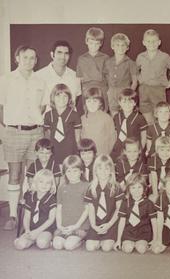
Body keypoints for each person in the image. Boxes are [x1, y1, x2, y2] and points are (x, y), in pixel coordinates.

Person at [0, 45, 47, 231]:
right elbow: (1, 108)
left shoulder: (40, 81)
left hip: (36, 132)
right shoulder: (6, 80)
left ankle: (31, 212)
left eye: (33, 58)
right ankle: (13, 215)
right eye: (25, 57)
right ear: (17, 58)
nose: (29, 61)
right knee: (14, 174)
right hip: (14, 132)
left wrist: (33, 122)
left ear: (36, 60)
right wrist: (10, 127)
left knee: (34, 174)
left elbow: (43, 107)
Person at [136, 29, 170, 124]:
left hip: (158, 90)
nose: (151, 43)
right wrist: (140, 79)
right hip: (144, 90)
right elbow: (135, 70)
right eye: (148, 41)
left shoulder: (164, 57)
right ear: (144, 43)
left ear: (159, 42)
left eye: (154, 41)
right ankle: (151, 135)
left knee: (160, 115)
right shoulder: (140, 56)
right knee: (146, 116)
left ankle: (161, 136)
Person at [14, 169, 57, 250]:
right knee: (20, 245)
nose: (44, 185)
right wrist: (27, 229)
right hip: (31, 228)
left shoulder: (52, 198)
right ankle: (31, 240)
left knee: (41, 244)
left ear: (51, 185)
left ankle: (45, 240)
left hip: (46, 229)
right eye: (41, 182)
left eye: (48, 183)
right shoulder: (30, 196)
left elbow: (51, 219)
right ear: (35, 182)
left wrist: (37, 231)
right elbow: (27, 216)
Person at [53, 155, 89, 251]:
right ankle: (67, 236)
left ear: (81, 171)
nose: (72, 174)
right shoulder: (61, 187)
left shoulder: (87, 186)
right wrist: (59, 225)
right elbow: (59, 208)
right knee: (57, 245)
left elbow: (87, 210)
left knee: (68, 246)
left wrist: (76, 226)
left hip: (79, 226)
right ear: (64, 173)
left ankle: (81, 240)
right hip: (64, 226)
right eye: (68, 171)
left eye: (75, 171)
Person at [115, 174, 157, 254]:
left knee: (141, 249)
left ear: (144, 188)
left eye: (139, 187)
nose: (136, 190)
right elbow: (122, 222)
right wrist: (118, 240)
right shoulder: (125, 203)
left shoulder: (149, 203)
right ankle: (130, 243)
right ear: (128, 189)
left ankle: (139, 244)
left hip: (143, 233)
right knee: (128, 249)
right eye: (133, 188)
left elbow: (154, 222)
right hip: (128, 233)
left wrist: (155, 239)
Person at [35, 40, 82, 111]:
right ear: (52, 54)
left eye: (66, 53)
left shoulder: (75, 76)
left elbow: (75, 99)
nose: (63, 57)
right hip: (47, 121)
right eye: (59, 53)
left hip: (71, 121)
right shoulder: (38, 76)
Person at [103, 33, 138, 114]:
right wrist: (108, 91)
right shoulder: (108, 62)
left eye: (123, 45)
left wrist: (128, 95)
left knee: (125, 115)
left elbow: (135, 82)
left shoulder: (131, 63)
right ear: (112, 46)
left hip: (124, 92)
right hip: (111, 93)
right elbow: (105, 77)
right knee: (114, 115)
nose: (120, 47)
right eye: (117, 45)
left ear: (127, 48)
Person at [77, 27, 109, 111]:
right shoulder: (81, 58)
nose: (93, 46)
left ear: (101, 43)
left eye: (96, 44)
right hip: (87, 89)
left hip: (101, 89)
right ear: (86, 41)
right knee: (88, 113)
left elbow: (108, 77)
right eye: (91, 43)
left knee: (102, 112)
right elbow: (79, 78)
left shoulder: (105, 58)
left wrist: (108, 91)